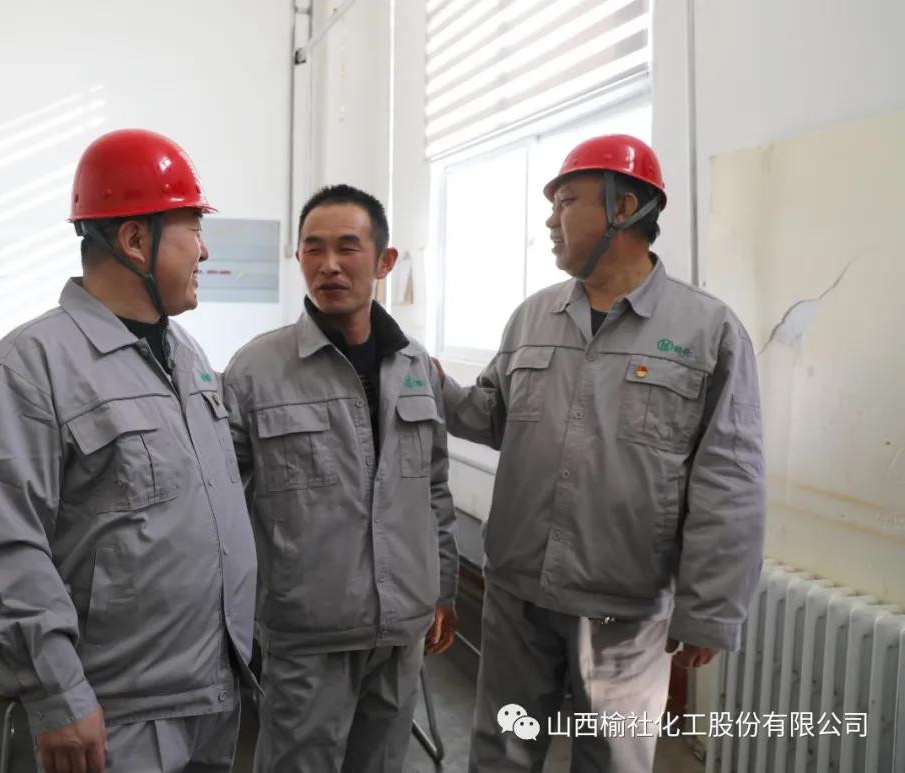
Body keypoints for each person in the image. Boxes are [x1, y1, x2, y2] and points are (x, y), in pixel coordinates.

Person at [438, 135, 766, 772]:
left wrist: (709, 609)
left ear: (623, 208)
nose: (549, 220)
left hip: (625, 611)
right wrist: (428, 383)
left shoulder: (707, 331)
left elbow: (731, 477)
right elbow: (490, 416)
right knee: (500, 753)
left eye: (566, 202)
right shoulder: (532, 318)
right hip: (519, 592)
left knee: (613, 761)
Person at [0, 129, 258, 773]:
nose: (205, 250)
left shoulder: (188, 355)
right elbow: (2, 547)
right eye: (193, 229)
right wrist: (58, 695)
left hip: (211, 688)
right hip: (114, 713)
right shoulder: (29, 367)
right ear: (136, 240)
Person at [222, 184, 459, 772]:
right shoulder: (256, 371)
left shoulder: (414, 366)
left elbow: (432, 486)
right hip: (308, 632)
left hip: (401, 627)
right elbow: (221, 506)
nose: (329, 265)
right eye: (314, 248)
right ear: (298, 258)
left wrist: (443, 589)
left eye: (347, 247)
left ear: (384, 261)